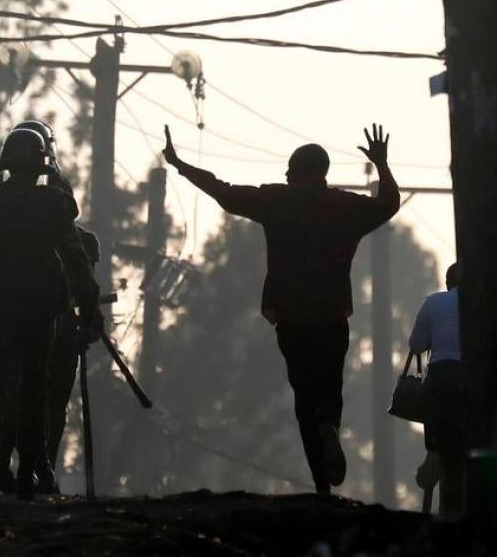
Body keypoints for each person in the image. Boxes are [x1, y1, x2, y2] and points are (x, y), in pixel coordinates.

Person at [162, 123, 400, 495]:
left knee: (304, 395)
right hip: (332, 313)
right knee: (329, 389)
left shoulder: (276, 200)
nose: (285, 176)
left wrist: (179, 164)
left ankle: (322, 486)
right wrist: (382, 165)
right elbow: (388, 204)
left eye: (288, 170)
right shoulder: (345, 207)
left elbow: (222, 191)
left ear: (295, 172)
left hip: (290, 315)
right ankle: (329, 426)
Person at [0, 128, 100, 500]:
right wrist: (89, 306)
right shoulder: (53, 205)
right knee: (34, 387)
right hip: (37, 312)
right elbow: (75, 258)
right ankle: (29, 468)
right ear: (40, 166)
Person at [409, 262, 464, 518]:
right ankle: (460, 508)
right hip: (470, 381)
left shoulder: (433, 303)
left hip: (439, 379)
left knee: (441, 439)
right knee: (465, 449)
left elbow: (417, 344)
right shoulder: (484, 304)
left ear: (447, 282)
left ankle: (434, 453)